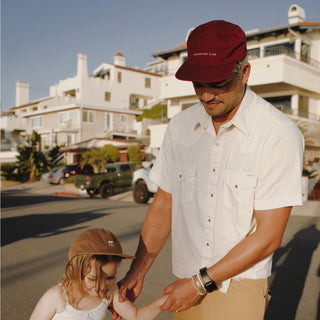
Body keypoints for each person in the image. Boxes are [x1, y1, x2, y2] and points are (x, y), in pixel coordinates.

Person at [118, 20, 304, 320]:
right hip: (183, 282)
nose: (205, 95)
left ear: (244, 73)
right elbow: (163, 206)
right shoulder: (179, 128)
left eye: (217, 82)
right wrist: (136, 272)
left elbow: (269, 235)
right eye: (198, 83)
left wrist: (200, 284)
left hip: (238, 286)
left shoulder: (277, 133)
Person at [29, 228, 167, 320]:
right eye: (93, 278)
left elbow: (136, 316)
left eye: (110, 277)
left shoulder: (109, 292)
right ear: (74, 270)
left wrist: (165, 301)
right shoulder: (57, 296)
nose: (100, 286)